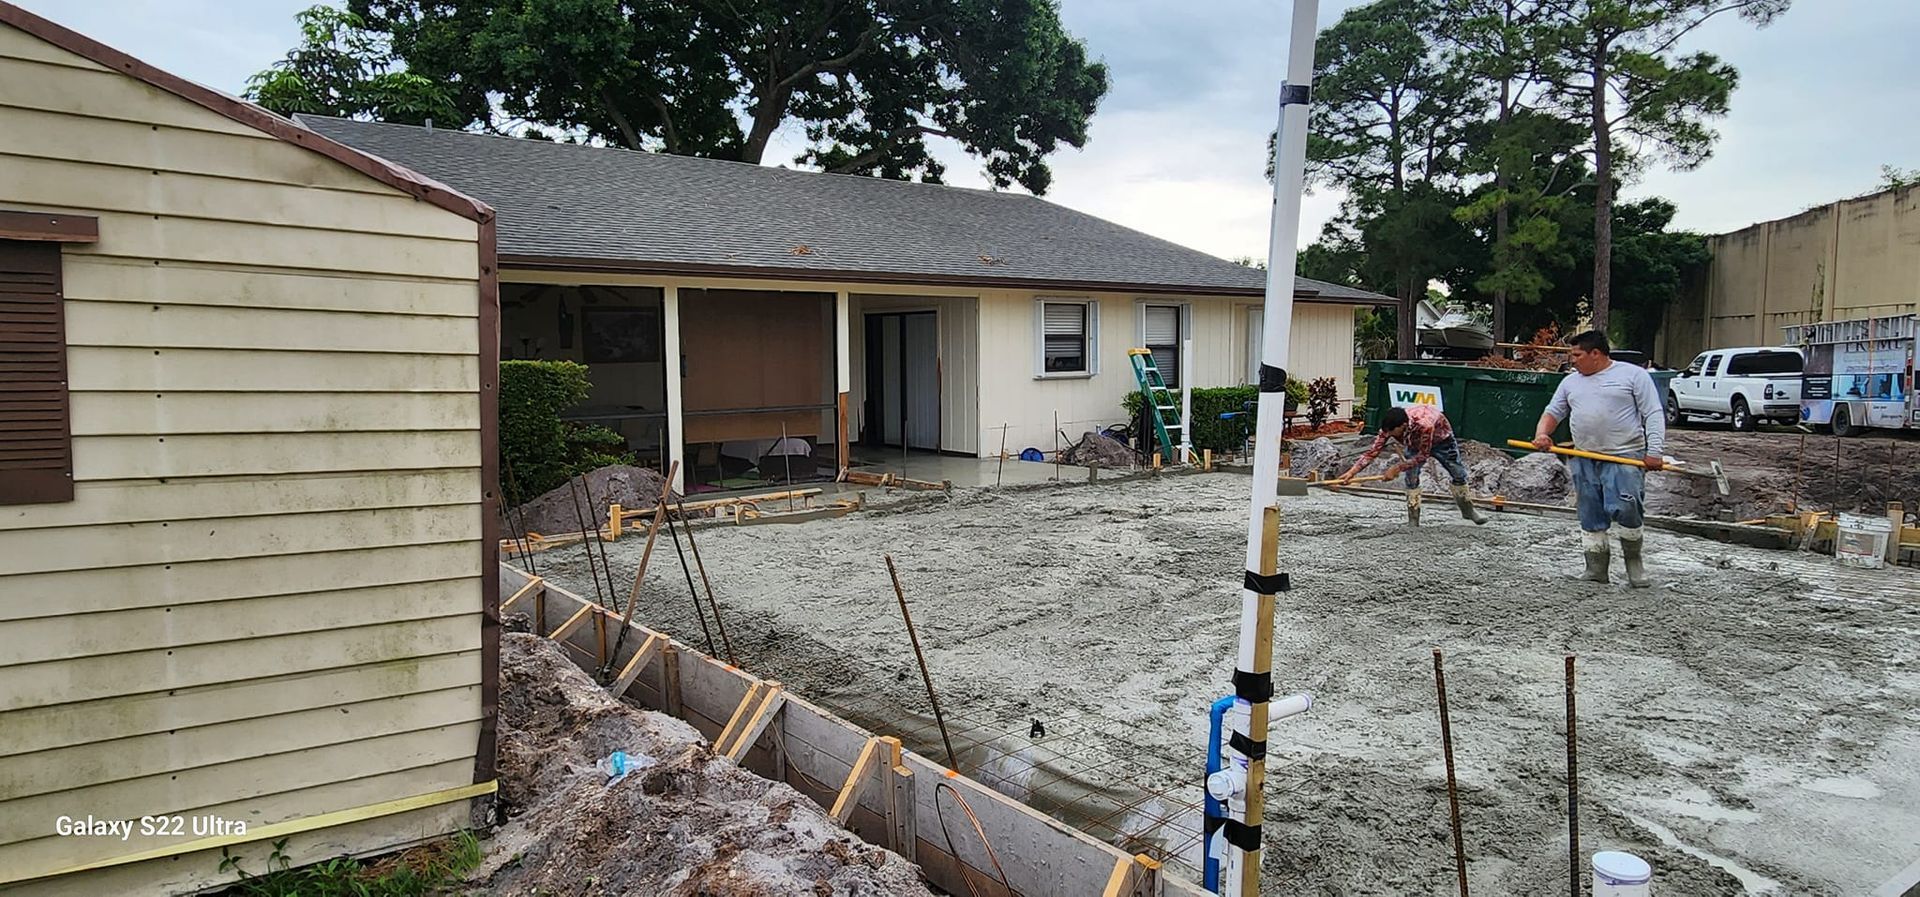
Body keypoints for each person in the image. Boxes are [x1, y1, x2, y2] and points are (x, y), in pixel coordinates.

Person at [1532, 330, 1666, 587]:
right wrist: (1542, 434)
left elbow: (1653, 413)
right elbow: (1553, 411)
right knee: (1590, 512)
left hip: (1624, 455)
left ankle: (1634, 564)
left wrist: (1655, 451)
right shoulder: (1570, 382)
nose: (1572, 360)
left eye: (1577, 355)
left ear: (1595, 353)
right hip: (1583, 455)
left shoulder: (1633, 375)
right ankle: (1596, 568)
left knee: (1627, 508)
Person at [1337, 404, 1487, 526]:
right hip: (1414, 443)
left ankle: (1468, 510)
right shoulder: (1389, 428)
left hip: (1442, 441)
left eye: (1393, 433)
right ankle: (1413, 520)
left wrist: (1397, 468)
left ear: (1403, 426)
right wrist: (1352, 472)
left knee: (1458, 474)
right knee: (1411, 479)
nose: (1390, 436)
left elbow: (1423, 455)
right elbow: (1372, 452)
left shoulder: (1424, 424)